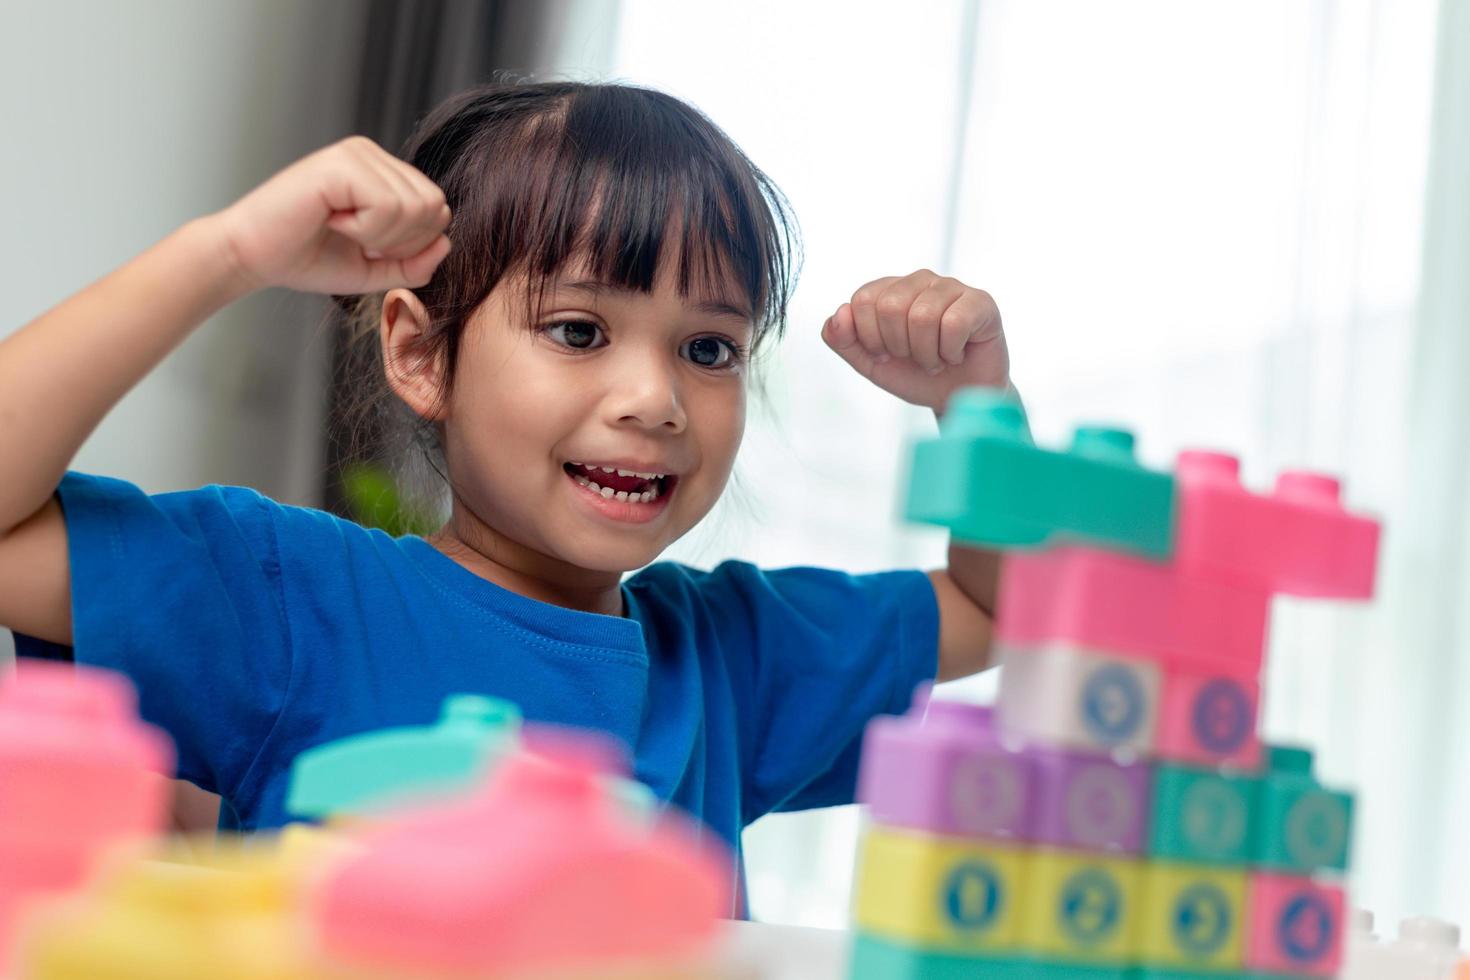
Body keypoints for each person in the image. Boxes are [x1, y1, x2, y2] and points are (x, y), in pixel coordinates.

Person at [0, 80, 1009, 913]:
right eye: (578, 329)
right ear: (418, 353)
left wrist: (974, 402)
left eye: (709, 348)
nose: (654, 399)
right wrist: (228, 253)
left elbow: (998, 604)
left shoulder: (733, 659)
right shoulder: (291, 599)